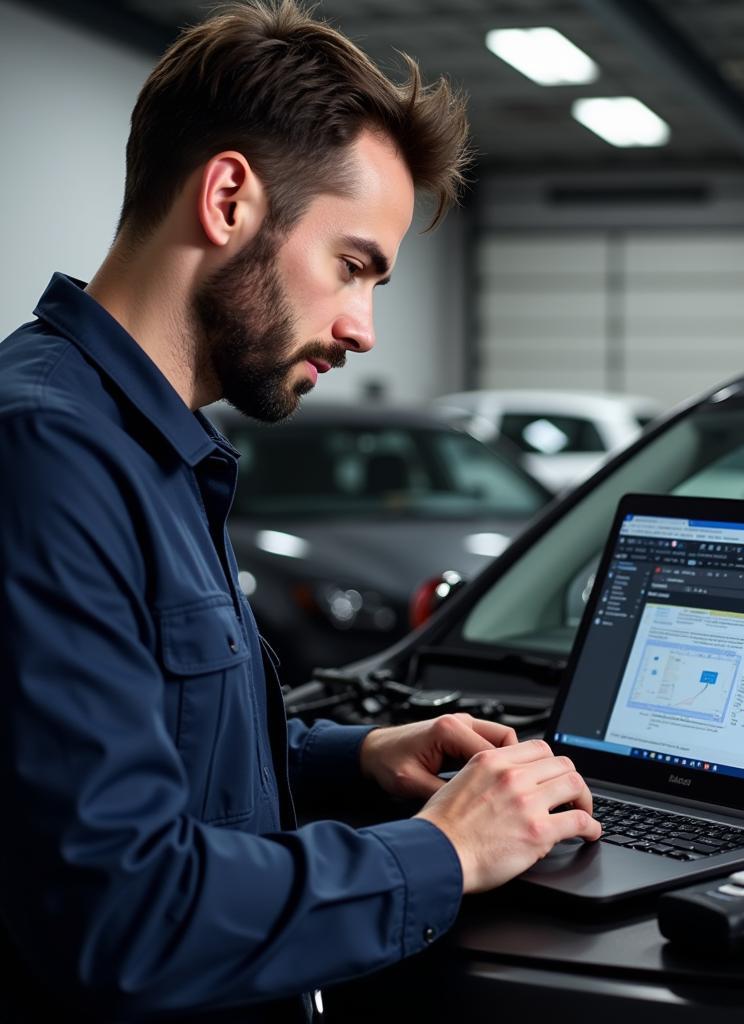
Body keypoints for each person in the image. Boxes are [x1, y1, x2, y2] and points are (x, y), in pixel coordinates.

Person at [0, 3, 601, 1021]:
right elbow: (117, 905)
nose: (364, 328)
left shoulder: (155, 448)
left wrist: (354, 760)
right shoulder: (47, 453)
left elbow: (168, 758)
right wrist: (445, 850)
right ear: (230, 198)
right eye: (353, 265)